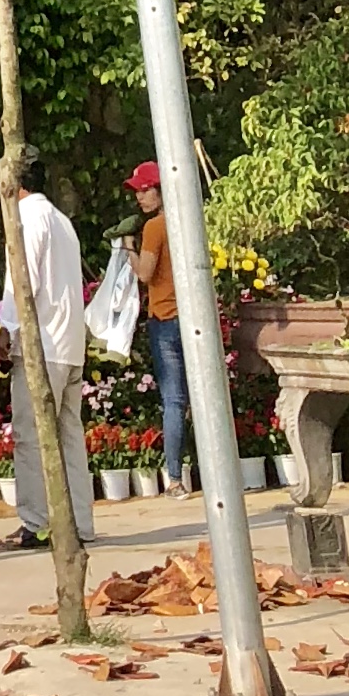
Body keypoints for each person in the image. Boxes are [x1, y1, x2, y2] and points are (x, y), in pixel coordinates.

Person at [0, 147, 95, 550]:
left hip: (43, 346)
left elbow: (23, 282)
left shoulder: (27, 219)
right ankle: (79, 523)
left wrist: (6, 330)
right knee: (69, 435)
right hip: (68, 343)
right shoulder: (59, 220)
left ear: (13, 183)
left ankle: (35, 522)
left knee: (31, 436)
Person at [129, 163, 193, 492]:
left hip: (165, 319)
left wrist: (127, 248)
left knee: (174, 401)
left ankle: (175, 479)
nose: (139, 197)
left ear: (161, 190)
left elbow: (144, 273)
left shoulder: (154, 227)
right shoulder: (189, 220)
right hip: (193, 320)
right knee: (202, 398)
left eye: (145, 190)